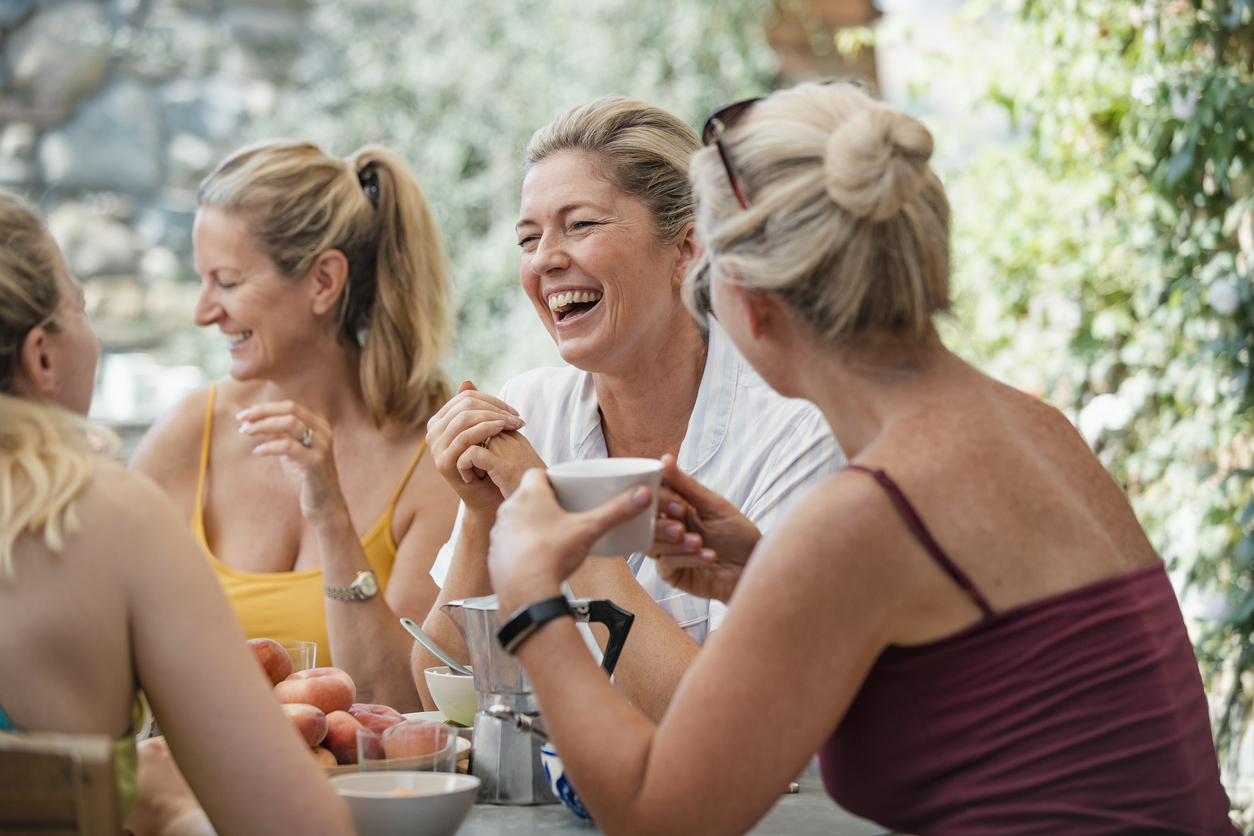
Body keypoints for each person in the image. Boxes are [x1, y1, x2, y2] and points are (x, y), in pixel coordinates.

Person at [480, 82, 1242, 835]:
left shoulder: (867, 512)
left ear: (751, 298)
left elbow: (660, 815)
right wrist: (764, 568)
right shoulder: (1037, 428)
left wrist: (532, 594)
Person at [414, 96, 843, 720]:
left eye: (580, 224)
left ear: (686, 249)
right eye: (528, 238)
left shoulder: (796, 429)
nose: (545, 259)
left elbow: (727, 723)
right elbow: (442, 691)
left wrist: (552, 517)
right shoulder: (527, 408)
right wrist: (483, 517)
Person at [0, 191, 353, 836]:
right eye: (79, 305)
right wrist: (170, 811)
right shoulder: (106, 516)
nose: (202, 312)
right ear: (42, 357)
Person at [133, 139, 460, 711]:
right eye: (203, 280)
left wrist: (331, 515)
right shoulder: (191, 431)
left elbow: (405, 705)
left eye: (228, 282)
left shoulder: (433, 456)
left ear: (323, 282)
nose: (203, 312)